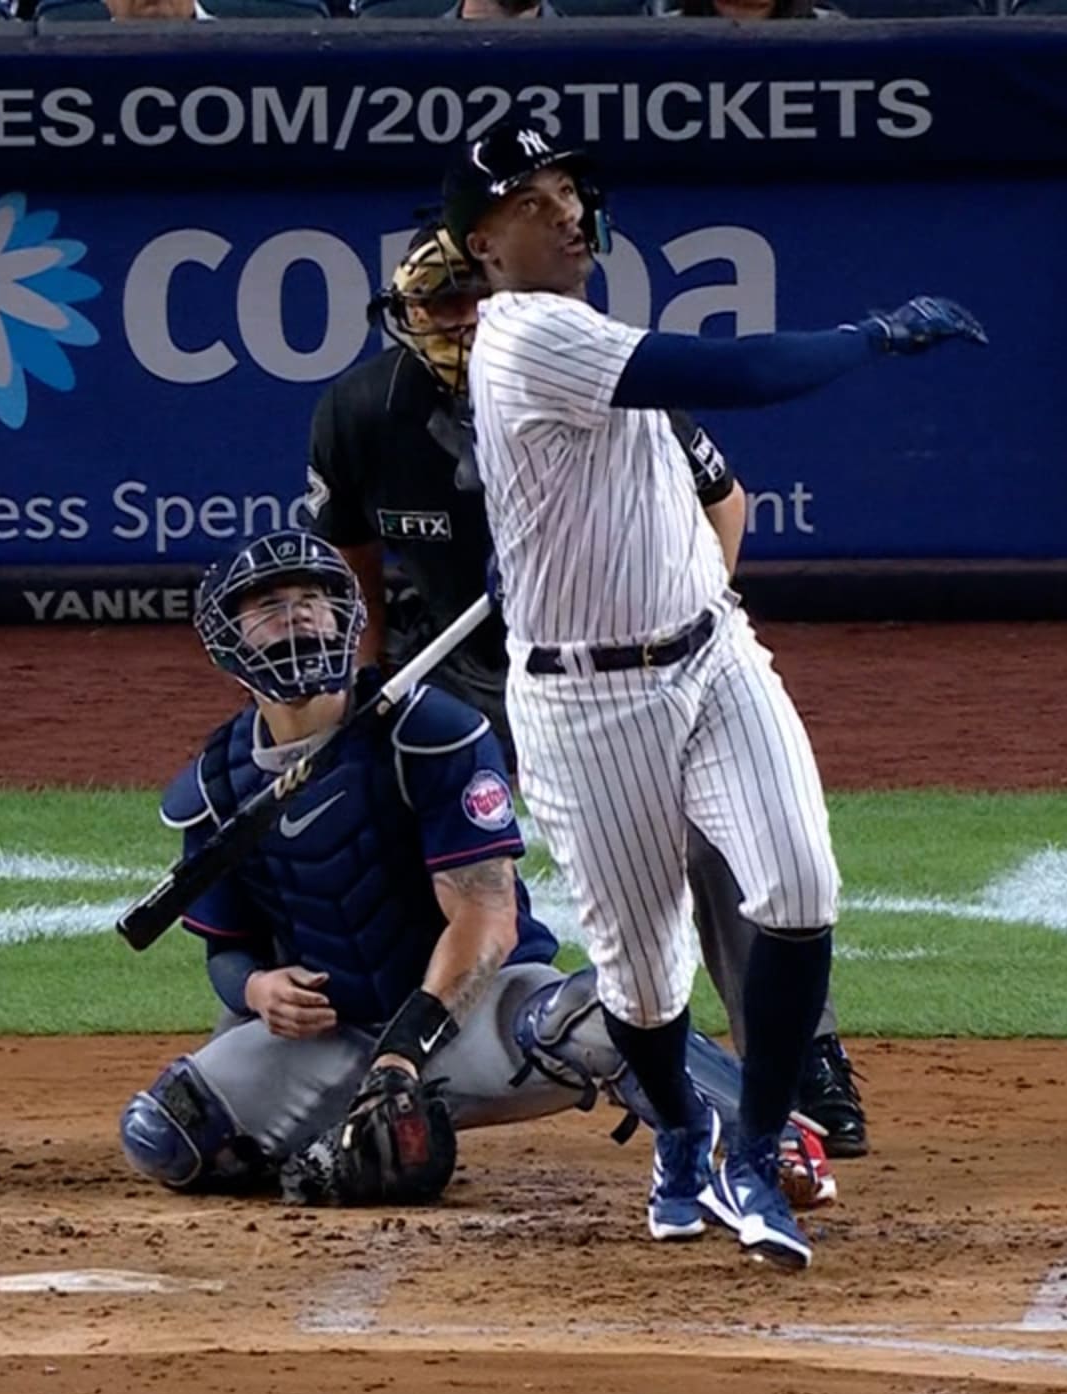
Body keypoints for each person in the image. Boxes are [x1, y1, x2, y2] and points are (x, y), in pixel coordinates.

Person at [440, 117, 985, 1269]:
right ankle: (679, 1132)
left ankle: (750, 1143)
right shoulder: (527, 338)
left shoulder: (581, 334)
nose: (567, 212)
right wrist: (873, 335)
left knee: (797, 887)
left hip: (711, 654)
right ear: (482, 242)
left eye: (570, 191)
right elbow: (735, 374)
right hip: (585, 711)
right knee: (643, 977)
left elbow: (686, 472)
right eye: (533, 201)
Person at [309, 221, 874, 1160]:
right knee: (378, 817)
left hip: (610, 660)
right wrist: (367, 683)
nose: (453, 321)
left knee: (714, 838)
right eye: (433, 306)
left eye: (467, 300)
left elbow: (722, 500)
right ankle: (380, 1039)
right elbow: (353, 559)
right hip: (460, 670)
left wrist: (695, 628)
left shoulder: (591, 376)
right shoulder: (364, 410)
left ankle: (804, 1057)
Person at [119, 530, 836, 1229]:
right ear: (230, 643)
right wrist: (254, 990)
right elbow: (227, 949)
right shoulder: (214, 787)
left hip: (473, 1023)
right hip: (330, 1041)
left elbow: (486, 921)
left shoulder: (429, 733)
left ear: (349, 616)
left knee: (599, 1015)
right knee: (165, 1136)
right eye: (270, 606)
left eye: (316, 599)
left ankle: (764, 1138)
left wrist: (404, 1052)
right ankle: (347, 1146)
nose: (300, 615)